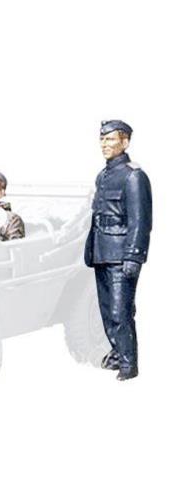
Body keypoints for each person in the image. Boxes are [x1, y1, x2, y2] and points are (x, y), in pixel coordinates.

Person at [84, 120, 152, 381]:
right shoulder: (103, 175)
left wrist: (134, 255)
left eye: (110, 139)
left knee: (119, 311)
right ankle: (117, 352)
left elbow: (140, 220)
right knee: (105, 309)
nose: (104, 144)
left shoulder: (134, 176)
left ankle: (128, 363)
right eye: (102, 139)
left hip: (121, 254)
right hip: (101, 251)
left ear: (125, 142)